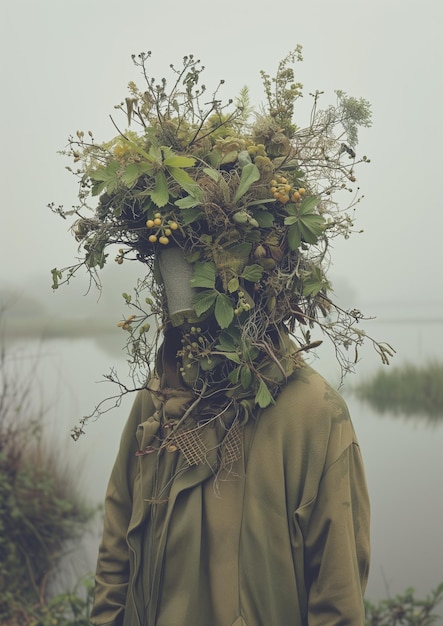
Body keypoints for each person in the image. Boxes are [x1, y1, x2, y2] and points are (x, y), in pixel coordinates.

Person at [89, 247, 370, 626]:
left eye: (193, 267)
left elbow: (338, 602)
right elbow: (118, 535)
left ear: (249, 285)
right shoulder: (157, 397)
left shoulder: (315, 414)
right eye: (168, 265)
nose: (181, 300)